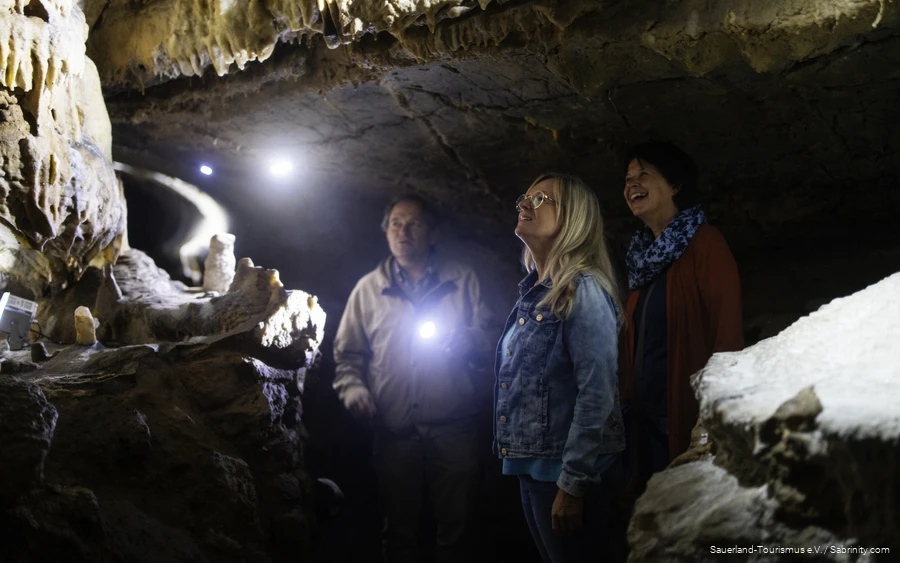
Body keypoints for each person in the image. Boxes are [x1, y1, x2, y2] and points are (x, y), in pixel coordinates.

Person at [332, 193, 495, 563]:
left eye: (414, 224)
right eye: (395, 223)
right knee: (399, 529)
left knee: (459, 528)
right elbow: (347, 355)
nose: (403, 231)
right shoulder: (368, 290)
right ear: (386, 232)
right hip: (394, 431)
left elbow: (494, 340)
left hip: (455, 427)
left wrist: (469, 340)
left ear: (433, 234)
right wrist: (353, 389)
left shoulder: (463, 280)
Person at [494, 173, 626, 563]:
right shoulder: (533, 295)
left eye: (541, 199)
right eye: (525, 197)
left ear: (573, 220)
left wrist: (573, 485)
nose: (524, 204)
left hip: (564, 475)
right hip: (534, 469)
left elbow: (597, 393)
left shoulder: (582, 291)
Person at [620, 141, 743, 496]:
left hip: (684, 421)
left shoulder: (704, 243)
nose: (631, 184)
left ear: (675, 185)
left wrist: (713, 416)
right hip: (643, 427)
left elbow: (728, 333)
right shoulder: (640, 259)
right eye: (627, 178)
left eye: (643, 174)